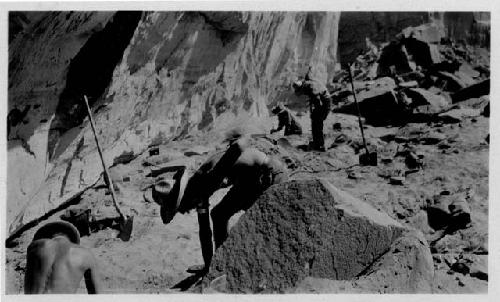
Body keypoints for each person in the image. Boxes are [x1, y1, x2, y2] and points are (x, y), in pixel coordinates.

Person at [153, 133, 288, 275]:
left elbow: (238, 147)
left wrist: (243, 139)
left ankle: (230, 262)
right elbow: (204, 231)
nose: (185, 211)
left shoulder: (208, 179)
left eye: (180, 208)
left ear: (183, 199)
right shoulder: (197, 191)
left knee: (255, 221)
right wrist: (208, 266)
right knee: (218, 214)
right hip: (248, 179)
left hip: (269, 175)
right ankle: (220, 262)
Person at [24, 221, 101, 294]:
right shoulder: (85, 254)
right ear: (71, 238)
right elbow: (97, 296)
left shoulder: (34, 247)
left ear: (47, 236)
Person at [292, 67, 331, 151]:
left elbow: (317, 101)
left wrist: (316, 112)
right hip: (323, 101)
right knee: (315, 121)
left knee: (317, 123)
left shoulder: (312, 88)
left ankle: (320, 145)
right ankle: (317, 142)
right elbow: (308, 76)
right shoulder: (308, 83)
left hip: (324, 103)